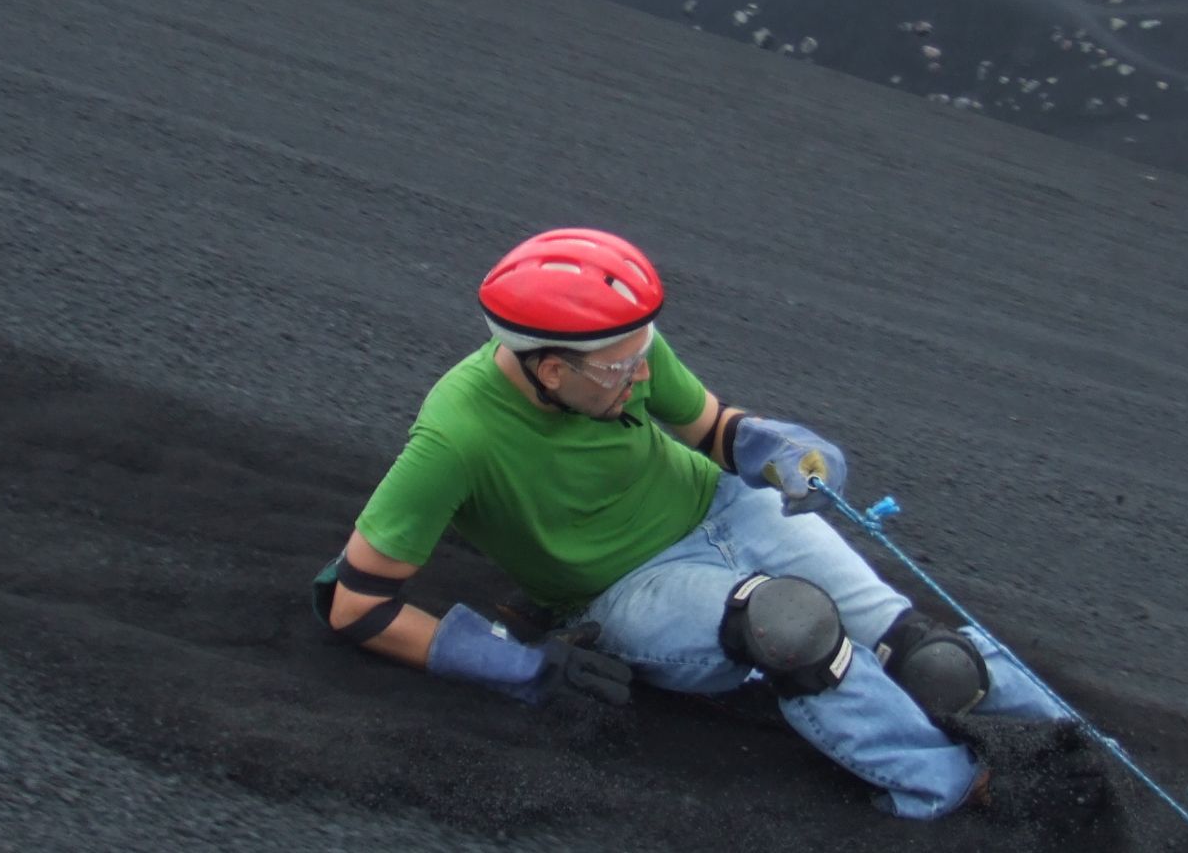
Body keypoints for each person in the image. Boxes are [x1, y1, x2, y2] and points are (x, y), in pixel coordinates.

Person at [313, 227, 1111, 826]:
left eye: (643, 354)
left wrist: (785, 448)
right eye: (621, 369)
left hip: (732, 511)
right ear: (549, 369)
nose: (642, 377)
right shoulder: (455, 439)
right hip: (629, 587)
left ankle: (1102, 769)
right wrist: (522, 669)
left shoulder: (617, 358)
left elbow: (715, 429)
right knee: (790, 631)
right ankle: (948, 799)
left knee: (931, 658)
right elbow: (357, 603)